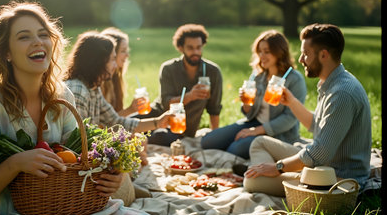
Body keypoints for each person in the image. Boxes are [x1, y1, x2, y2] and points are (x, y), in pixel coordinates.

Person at [0, 0, 159, 215]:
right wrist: (16, 164)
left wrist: (110, 174)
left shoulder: (62, 96)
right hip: (7, 212)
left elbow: (75, 159)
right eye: (24, 36)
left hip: (63, 206)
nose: (38, 42)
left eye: (43, 34)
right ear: (6, 52)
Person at [242, 23, 372, 197]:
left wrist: (277, 167)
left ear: (323, 55)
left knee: (251, 181)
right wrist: (292, 102)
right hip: (322, 166)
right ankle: (269, 173)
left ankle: (270, 175)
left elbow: (319, 153)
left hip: (336, 179)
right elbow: (316, 125)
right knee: (259, 142)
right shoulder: (332, 83)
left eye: (305, 54)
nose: (301, 59)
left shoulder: (341, 93)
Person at [63, 31, 173, 205]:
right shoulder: (77, 90)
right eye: (112, 59)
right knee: (123, 166)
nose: (116, 64)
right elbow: (76, 141)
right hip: (74, 167)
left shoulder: (92, 87)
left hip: (88, 157)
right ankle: (123, 191)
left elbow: (117, 122)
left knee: (129, 154)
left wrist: (158, 122)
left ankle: (127, 189)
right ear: (98, 61)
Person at [201, 30, 307, 160]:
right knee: (207, 141)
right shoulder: (258, 76)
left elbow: (290, 118)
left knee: (235, 149)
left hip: (279, 133)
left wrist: (255, 131)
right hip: (254, 123)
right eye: (260, 51)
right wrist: (246, 104)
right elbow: (249, 114)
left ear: (279, 52)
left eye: (266, 51)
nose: (261, 56)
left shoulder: (294, 79)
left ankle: (239, 145)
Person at [141, 24, 223, 147]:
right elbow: (165, 103)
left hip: (180, 129)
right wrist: (190, 96)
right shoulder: (168, 69)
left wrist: (215, 139)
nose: (195, 52)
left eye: (198, 47)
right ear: (180, 47)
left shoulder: (213, 72)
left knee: (160, 136)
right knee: (126, 124)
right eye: (190, 48)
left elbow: (214, 109)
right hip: (157, 115)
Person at [100, 27, 142, 117]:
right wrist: (130, 110)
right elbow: (105, 122)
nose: (127, 55)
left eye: (127, 51)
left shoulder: (117, 77)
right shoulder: (100, 83)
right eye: (123, 51)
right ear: (111, 53)